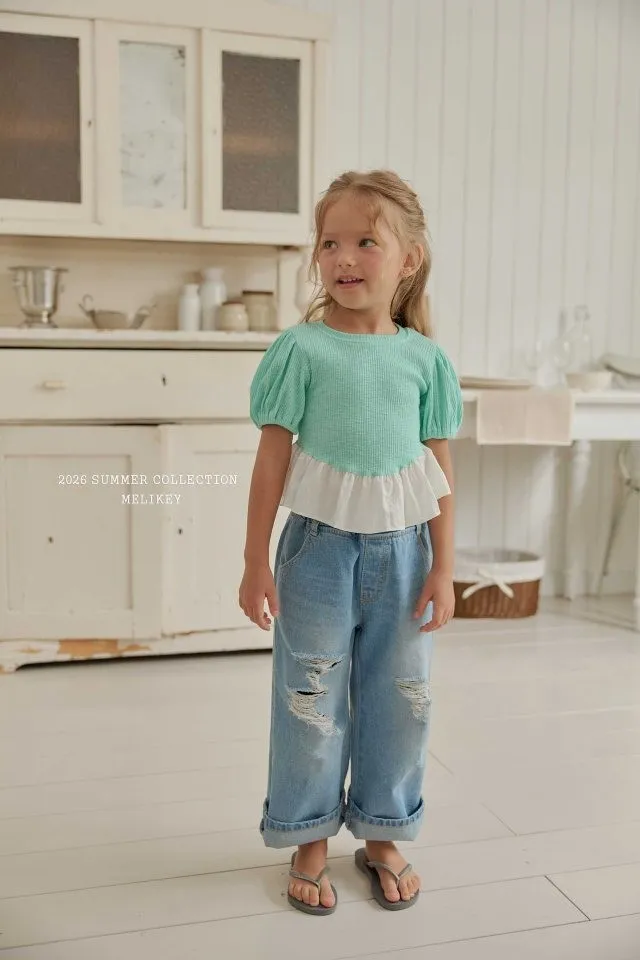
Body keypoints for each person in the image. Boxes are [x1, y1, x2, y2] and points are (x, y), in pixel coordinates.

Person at [239, 170, 463, 916]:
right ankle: (307, 835)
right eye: (330, 242)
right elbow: (271, 462)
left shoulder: (424, 360)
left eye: (366, 241)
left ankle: (382, 830)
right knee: (309, 699)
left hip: (405, 555)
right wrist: (254, 561)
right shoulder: (301, 350)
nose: (343, 257)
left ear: (409, 258)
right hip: (317, 554)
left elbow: (439, 469)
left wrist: (444, 567)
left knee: (402, 698)